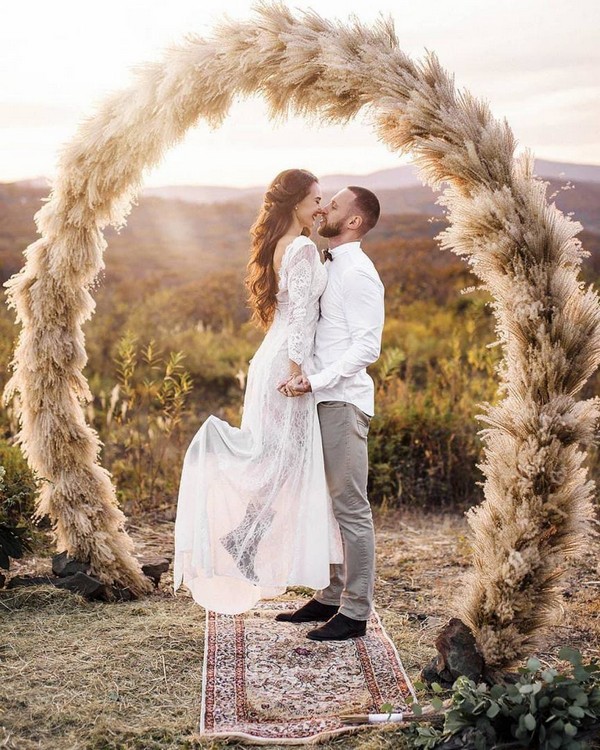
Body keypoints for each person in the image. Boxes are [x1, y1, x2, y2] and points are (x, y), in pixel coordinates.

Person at [173, 168, 343, 615]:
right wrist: (295, 373)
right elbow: (304, 315)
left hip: (272, 357)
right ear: (294, 205)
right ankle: (243, 537)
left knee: (277, 459)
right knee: (282, 460)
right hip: (286, 364)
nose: (321, 207)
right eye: (315, 200)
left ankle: (244, 537)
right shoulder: (303, 247)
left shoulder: (280, 245)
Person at [276, 186, 384, 641]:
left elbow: (368, 347)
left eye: (335, 205)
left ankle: (355, 611)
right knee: (327, 503)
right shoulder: (330, 263)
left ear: (354, 221)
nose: (325, 209)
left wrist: (316, 381)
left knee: (350, 507)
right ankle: (329, 593)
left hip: (342, 401)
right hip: (320, 399)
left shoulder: (359, 272)